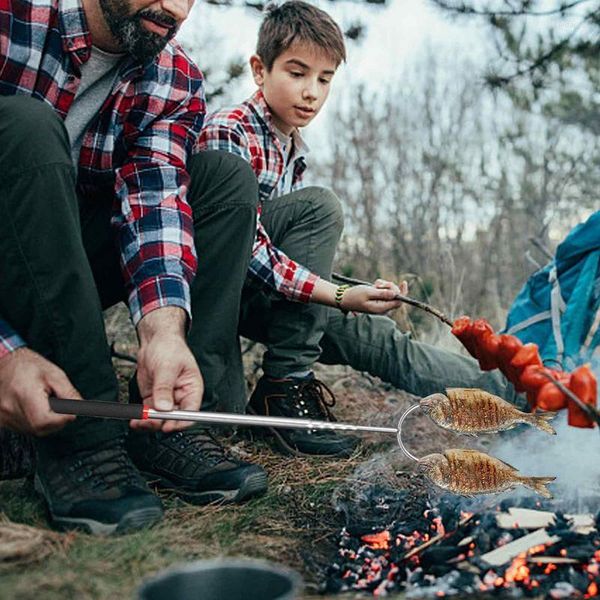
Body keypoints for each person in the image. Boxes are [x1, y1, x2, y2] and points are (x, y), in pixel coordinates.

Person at [196, 1, 521, 457]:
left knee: (381, 340)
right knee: (321, 207)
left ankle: (518, 403)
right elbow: (245, 248)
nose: (311, 92)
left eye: (324, 79)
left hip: (266, 296)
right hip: (214, 293)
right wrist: (337, 294)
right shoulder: (229, 131)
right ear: (259, 70)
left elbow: (287, 258)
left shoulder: (292, 148)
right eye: (297, 72)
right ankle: (285, 386)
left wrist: (355, 294)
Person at [0, 0, 273, 534]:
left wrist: (163, 331)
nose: (173, 7)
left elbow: (155, 200)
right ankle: (82, 435)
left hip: (68, 260)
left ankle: (170, 418)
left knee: (223, 179)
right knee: (27, 128)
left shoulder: (173, 76)